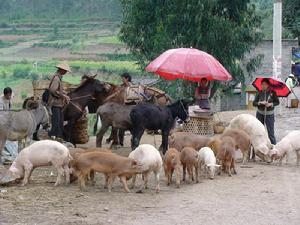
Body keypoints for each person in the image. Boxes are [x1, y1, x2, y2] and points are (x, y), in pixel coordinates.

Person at [47, 62, 71, 141]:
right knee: (56, 123)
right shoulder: (56, 78)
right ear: (62, 70)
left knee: (60, 122)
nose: (66, 72)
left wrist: (63, 93)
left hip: (58, 104)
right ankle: (52, 136)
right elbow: (53, 90)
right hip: (55, 104)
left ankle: (58, 137)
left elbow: (57, 90)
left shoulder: (58, 78)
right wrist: (63, 96)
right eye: (65, 70)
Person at [253, 78, 279, 144]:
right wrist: (260, 103)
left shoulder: (272, 93)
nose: (262, 86)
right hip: (260, 114)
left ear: (268, 85)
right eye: (262, 84)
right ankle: (260, 146)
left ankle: (274, 148)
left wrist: (271, 104)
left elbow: (277, 102)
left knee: (271, 133)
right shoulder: (259, 92)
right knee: (259, 132)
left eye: (264, 84)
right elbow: (254, 103)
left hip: (269, 115)